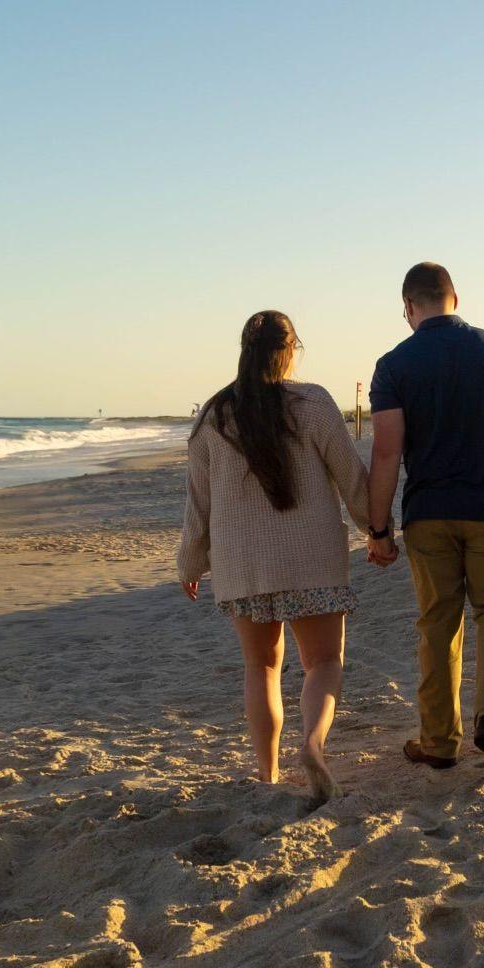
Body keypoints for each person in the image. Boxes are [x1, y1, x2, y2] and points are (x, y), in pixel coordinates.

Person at [364, 261, 484, 779]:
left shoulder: (394, 364)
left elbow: (385, 454)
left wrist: (377, 530)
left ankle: (439, 741)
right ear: (456, 298)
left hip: (428, 516)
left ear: (408, 308)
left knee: (439, 625)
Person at [178, 310, 369, 804]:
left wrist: (190, 563)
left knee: (261, 668)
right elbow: (351, 477)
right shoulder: (314, 403)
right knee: (323, 660)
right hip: (313, 559)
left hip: (243, 565)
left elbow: (199, 504)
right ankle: (313, 744)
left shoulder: (213, 417)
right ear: (291, 351)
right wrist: (378, 529)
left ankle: (267, 774)